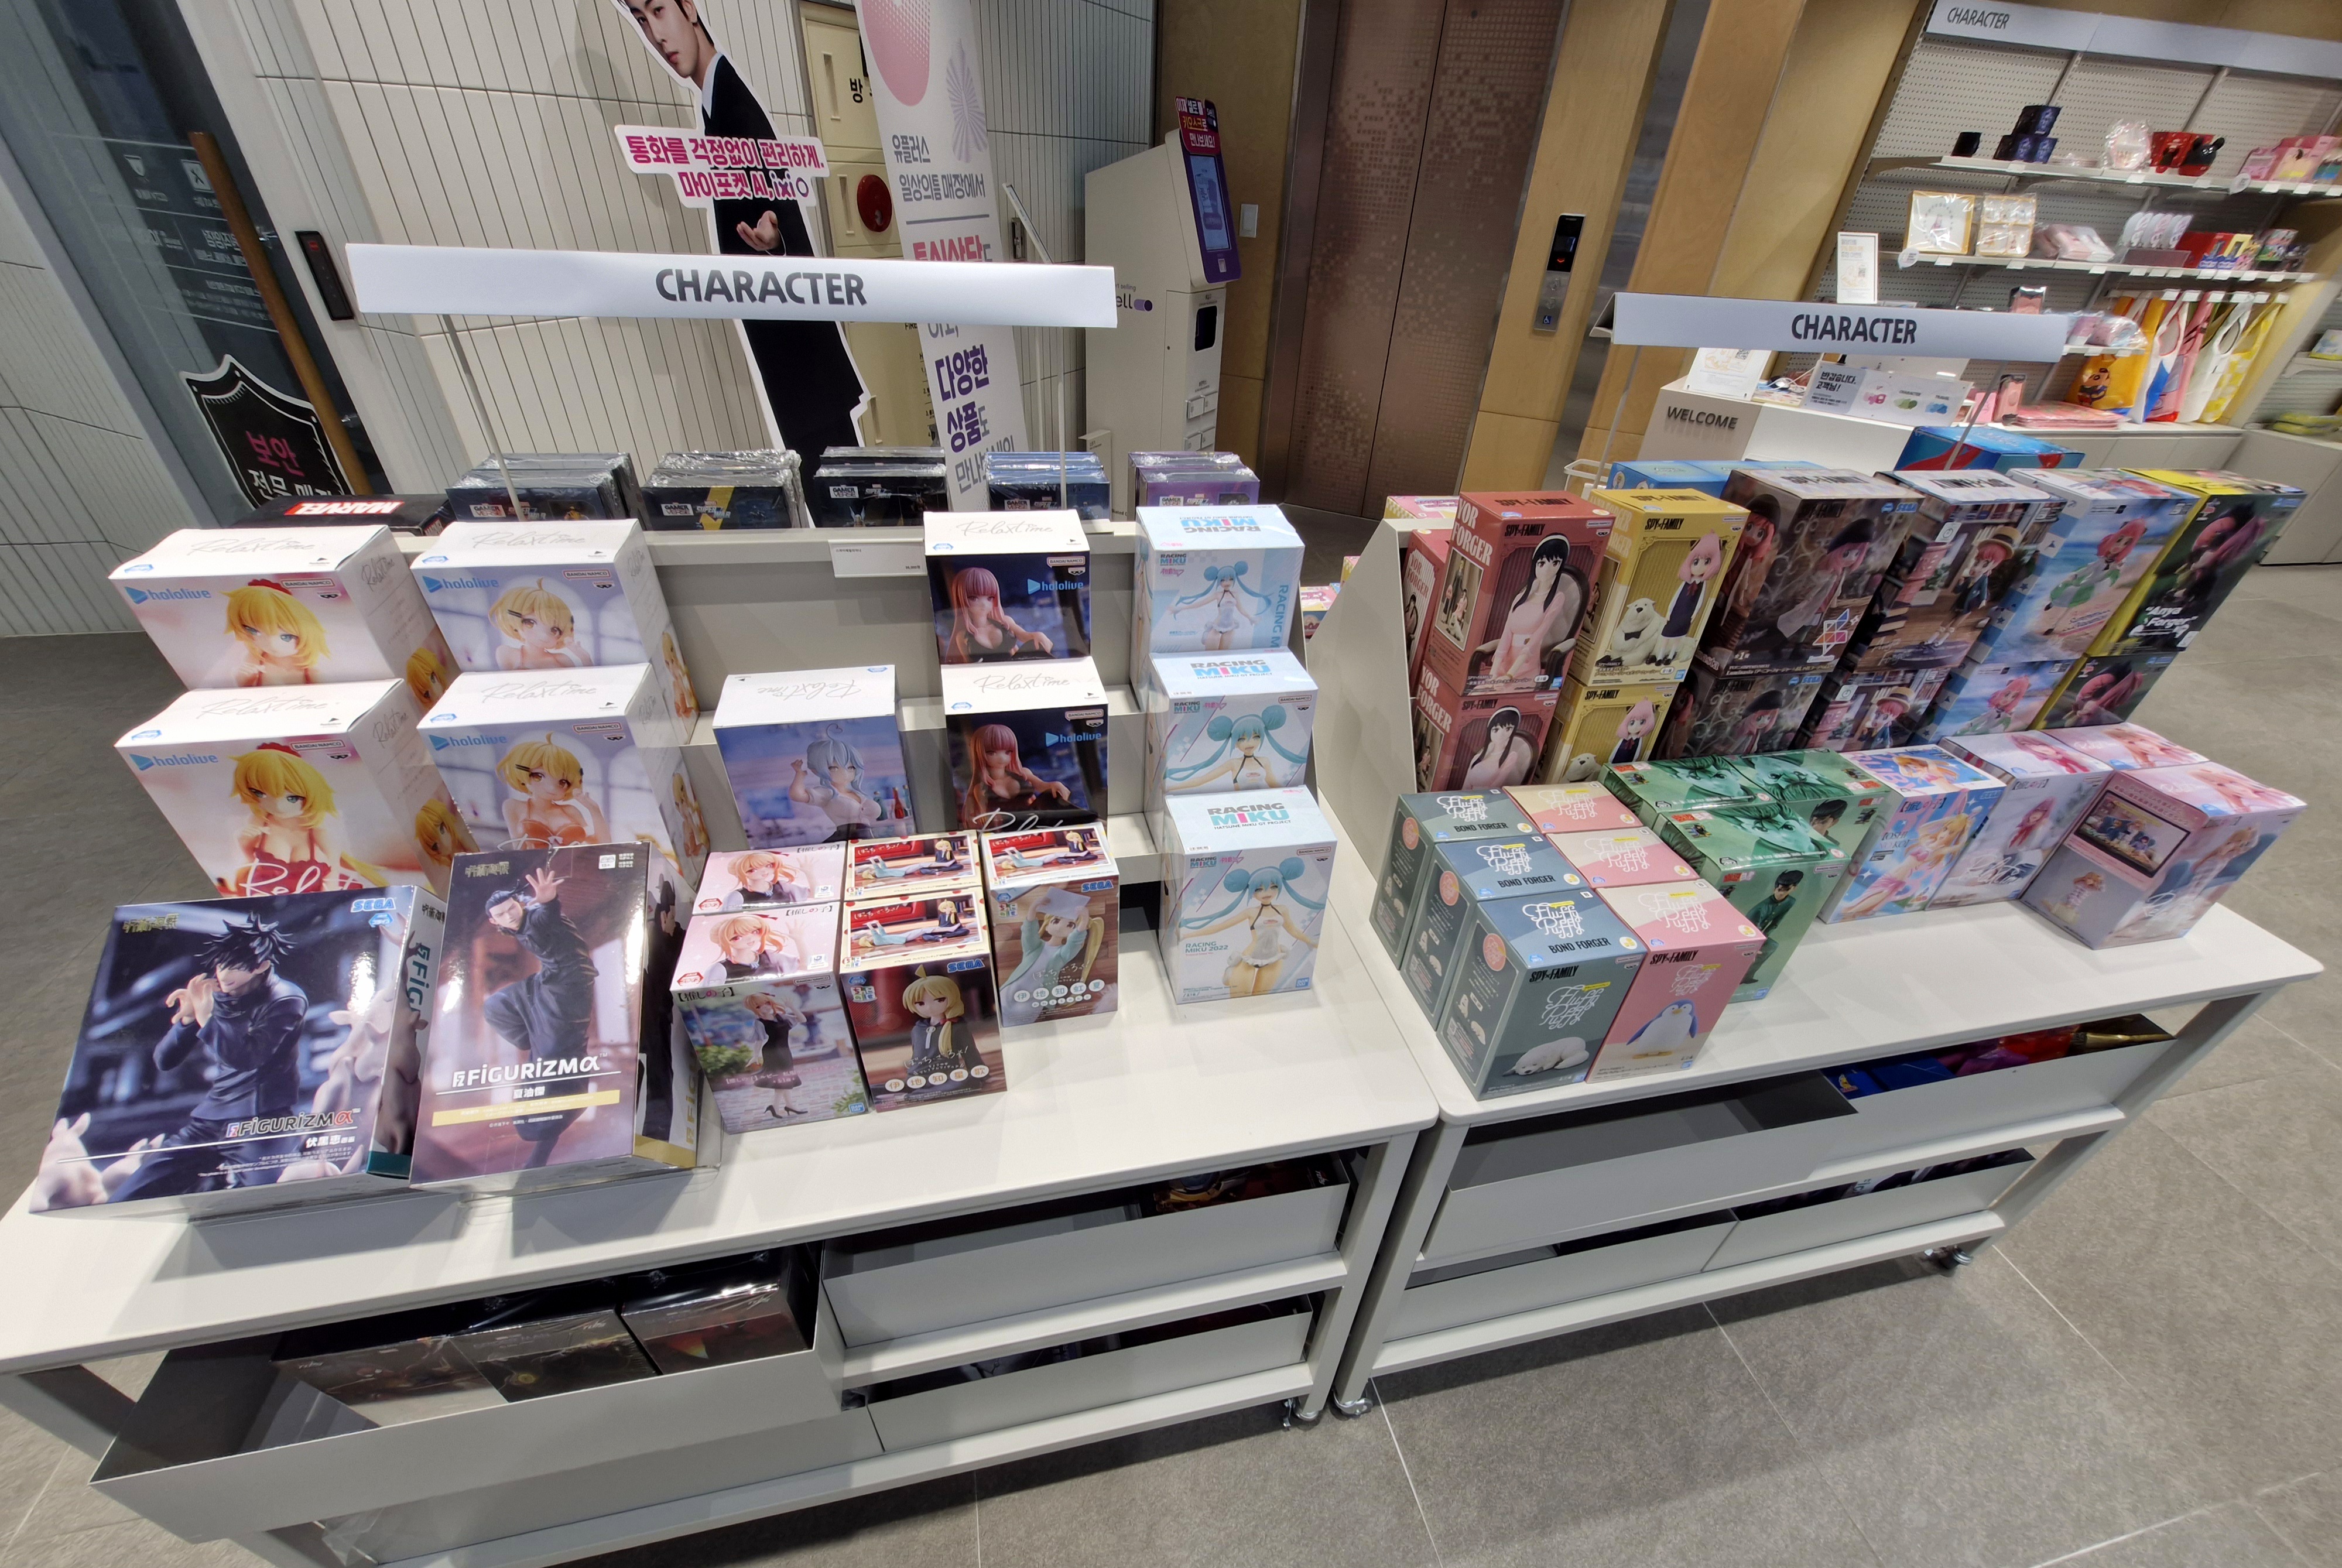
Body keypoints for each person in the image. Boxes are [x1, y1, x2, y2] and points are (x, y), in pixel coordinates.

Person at [616, 0, 867, 466]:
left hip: (801, 363)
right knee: (837, 484)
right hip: (797, 362)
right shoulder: (718, 103)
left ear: (689, 8)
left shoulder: (733, 101)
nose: (657, 35)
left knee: (837, 488)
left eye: (659, 10)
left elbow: (781, 211)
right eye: (641, 19)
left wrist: (779, 243)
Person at [112, 916, 307, 1201]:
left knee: (271, 1200)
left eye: (236, 966)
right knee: (128, 1196)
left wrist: (209, 1017)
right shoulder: (219, 995)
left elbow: (246, 1058)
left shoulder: (286, 999)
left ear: (262, 965)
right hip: (209, 1122)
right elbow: (165, 1060)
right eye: (221, 965)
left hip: (261, 1123)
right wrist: (188, 1020)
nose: (225, 974)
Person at [481, 864, 599, 1168]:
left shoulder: (535, 918)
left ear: (519, 904)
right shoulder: (518, 925)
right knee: (496, 1006)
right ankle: (535, 1039)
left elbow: (547, 917)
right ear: (493, 921)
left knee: (552, 1063)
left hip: (569, 988)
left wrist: (548, 900)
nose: (510, 916)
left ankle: (540, 1153)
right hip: (547, 980)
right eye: (502, 914)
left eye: (512, 908)